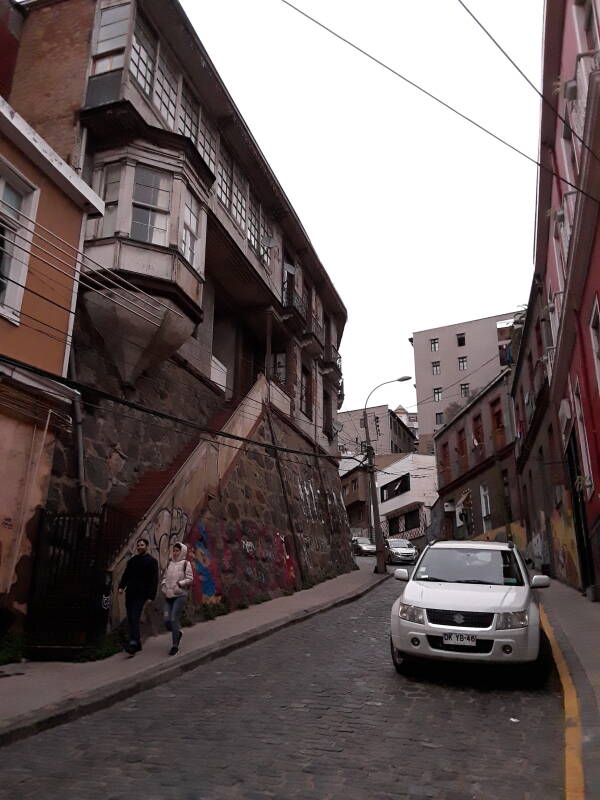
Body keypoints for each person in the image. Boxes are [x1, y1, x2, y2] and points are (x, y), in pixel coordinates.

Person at [118, 537, 158, 656]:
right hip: (130, 593)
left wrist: (151, 596)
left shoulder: (151, 561)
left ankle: (133, 643)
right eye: (138, 545)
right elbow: (126, 575)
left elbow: (154, 580)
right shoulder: (132, 560)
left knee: (135, 616)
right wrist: (121, 586)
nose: (140, 547)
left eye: (142, 545)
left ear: (147, 546)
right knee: (131, 617)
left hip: (142, 594)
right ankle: (138, 642)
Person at [161, 542, 193, 656]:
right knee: (166, 620)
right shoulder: (170, 563)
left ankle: (175, 645)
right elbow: (164, 577)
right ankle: (177, 632)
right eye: (174, 550)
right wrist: (164, 585)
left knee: (174, 618)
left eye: (177, 551)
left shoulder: (186, 563)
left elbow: (190, 578)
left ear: (182, 551)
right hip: (168, 595)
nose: (175, 553)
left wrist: (180, 584)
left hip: (180, 595)